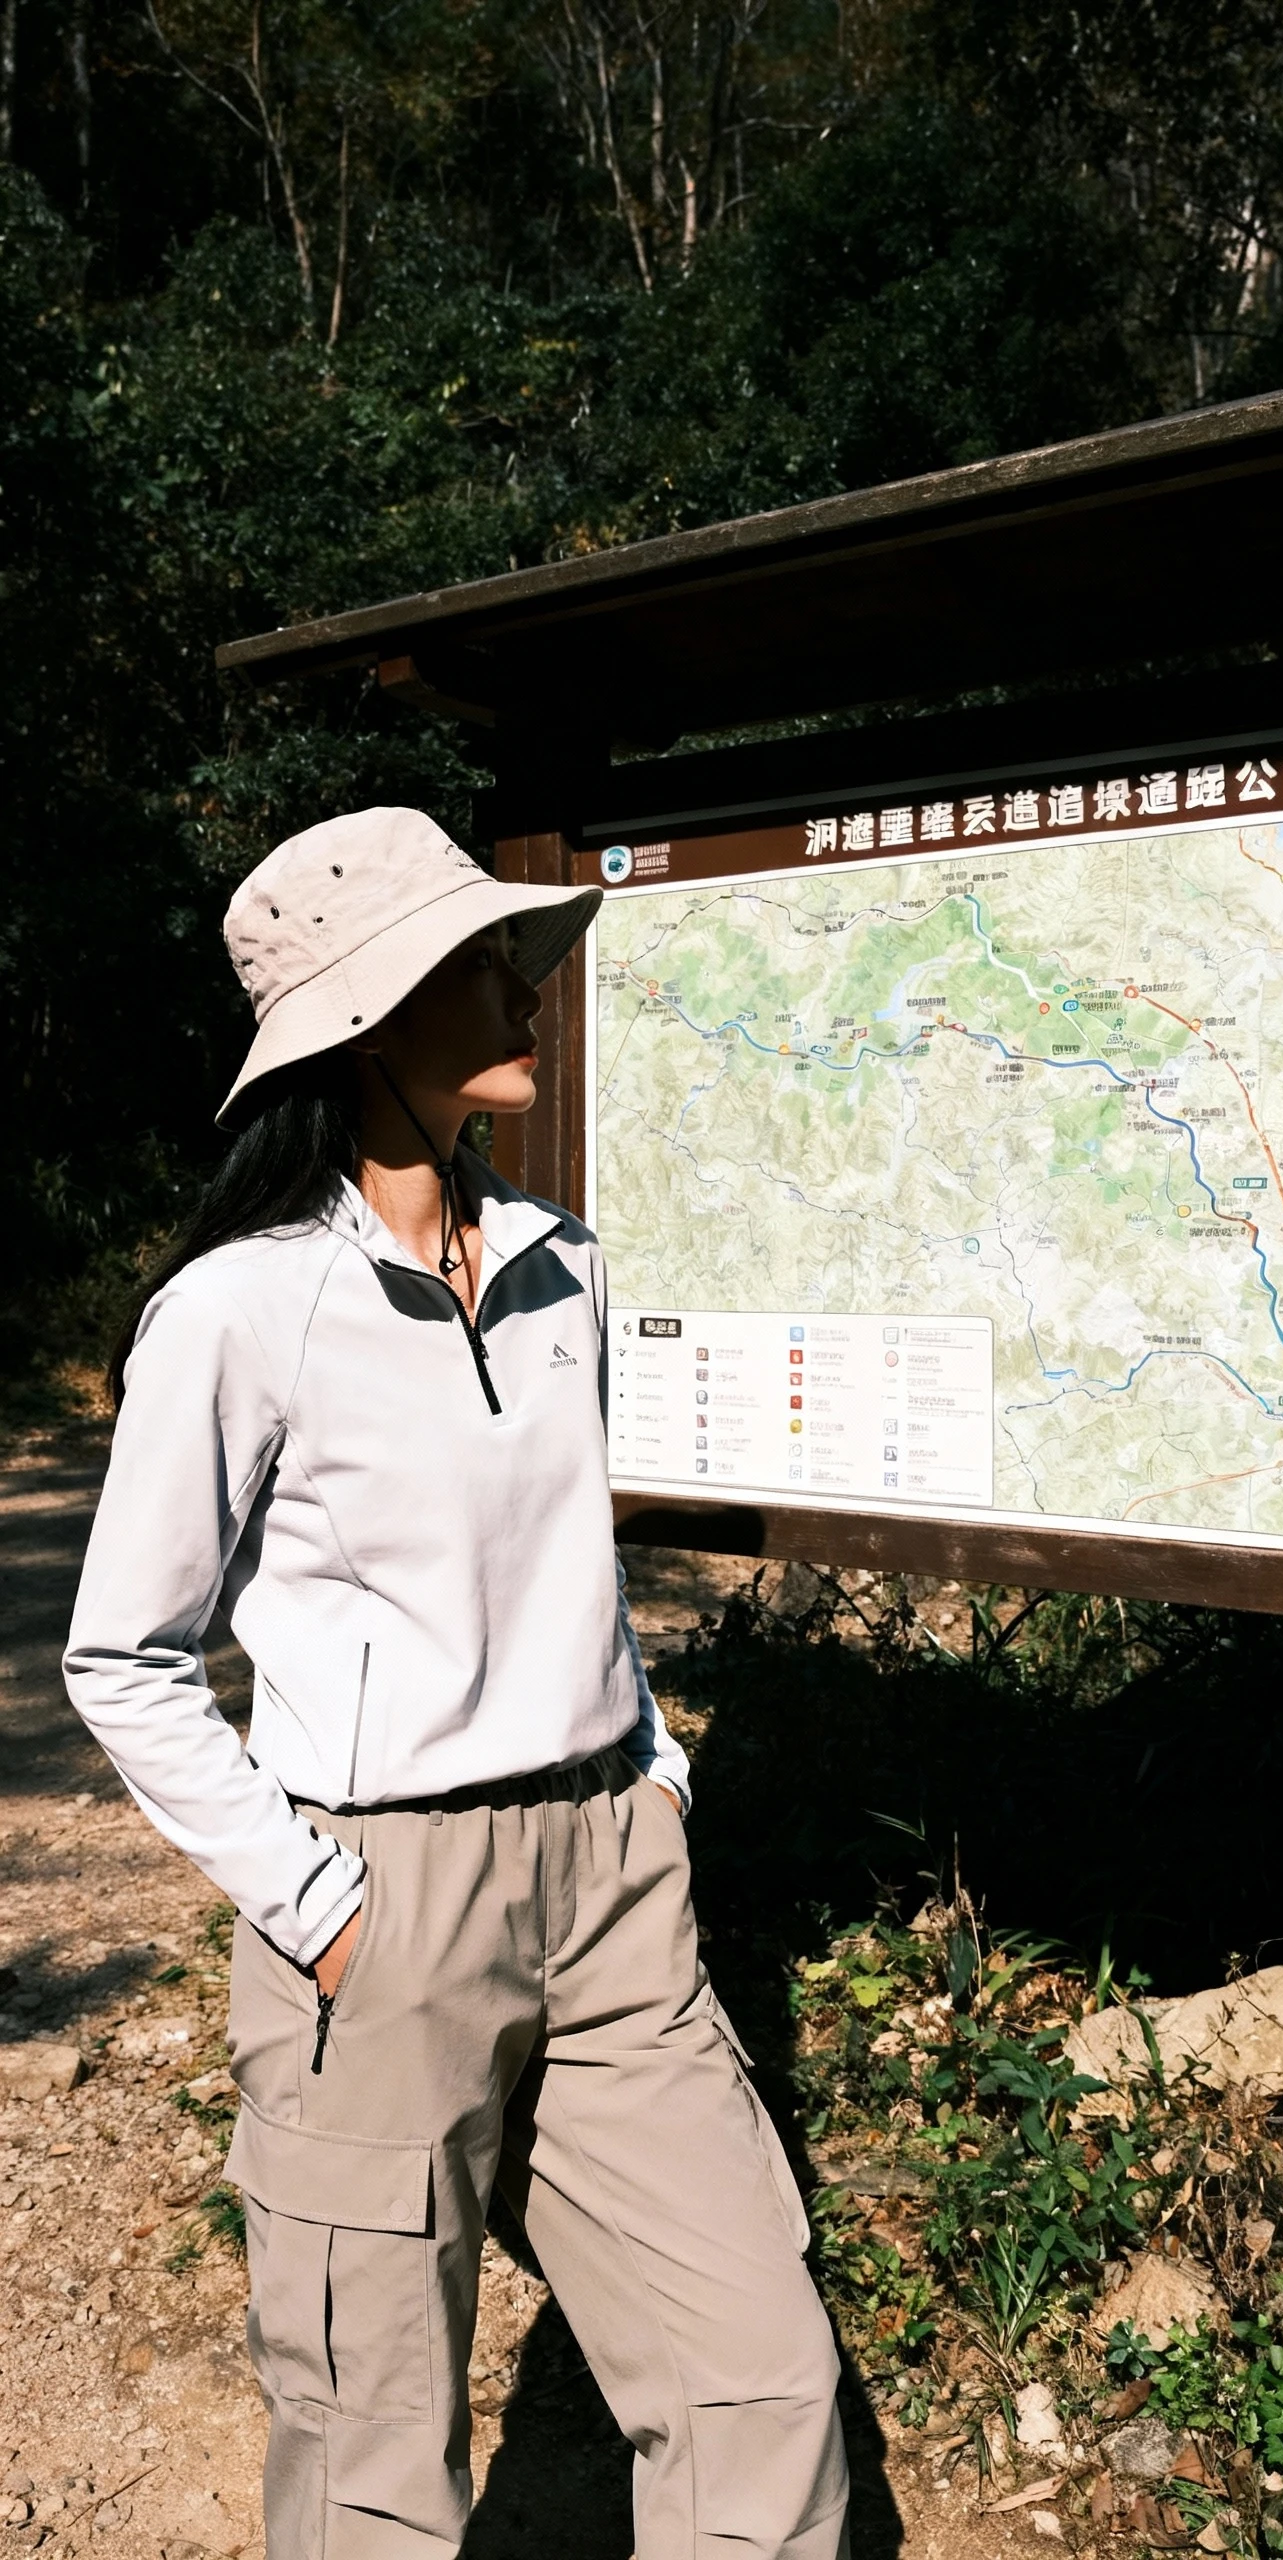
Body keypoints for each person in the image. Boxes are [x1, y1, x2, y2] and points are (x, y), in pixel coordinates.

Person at [64, 807, 850, 2560]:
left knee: (760, 2379)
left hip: (615, 1893)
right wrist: (321, 1907)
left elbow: (574, 1564)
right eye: (478, 964)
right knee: (375, 2457)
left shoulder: (565, 1265)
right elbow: (123, 1654)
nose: (524, 991)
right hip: (383, 1909)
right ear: (364, 1024)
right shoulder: (238, 1312)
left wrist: (652, 1773)